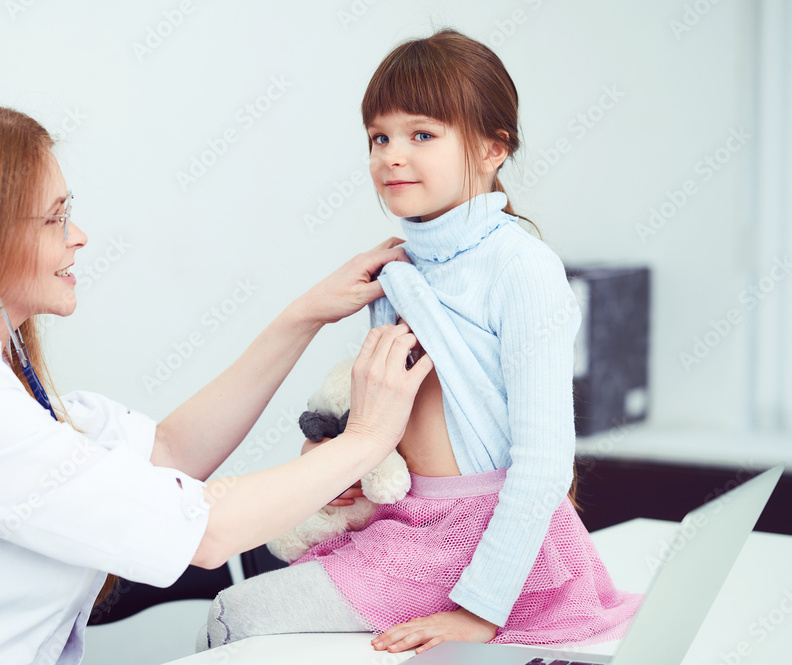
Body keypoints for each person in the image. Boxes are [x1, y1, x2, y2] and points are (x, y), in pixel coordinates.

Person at [0, 102, 435, 664]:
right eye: (56, 219)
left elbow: (166, 452)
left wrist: (303, 316)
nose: (79, 237)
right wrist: (367, 438)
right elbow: (207, 530)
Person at [197, 28, 643, 655]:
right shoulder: (398, 271)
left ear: (493, 148)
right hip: (407, 523)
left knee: (232, 616)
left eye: (422, 134)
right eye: (378, 137)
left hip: (468, 536)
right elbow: (398, 422)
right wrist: (349, 466)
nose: (390, 156)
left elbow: (544, 464)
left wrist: (479, 611)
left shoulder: (521, 267)